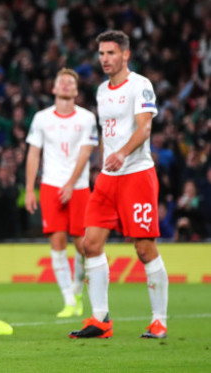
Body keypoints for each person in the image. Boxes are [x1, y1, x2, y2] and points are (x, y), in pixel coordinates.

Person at [69, 30, 168, 339]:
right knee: (90, 244)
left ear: (125, 54)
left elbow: (145, 127)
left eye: (110, 53)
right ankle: (100, 320)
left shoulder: (141, 85)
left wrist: (122, 154)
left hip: (137, 175)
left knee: (143, 247)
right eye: (101, 54)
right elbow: (107, 134)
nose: (105, 59)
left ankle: (159, 321)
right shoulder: (101, 91)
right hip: (108, 179)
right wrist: (103, 165)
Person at [24, 68, 98, 318]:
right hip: (50, 185)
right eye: (61, 82)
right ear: (54, 89)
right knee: (57, 242)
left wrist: (70, 183)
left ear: (76, 90)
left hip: (78, 187)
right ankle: (69, 301)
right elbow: (34, 153)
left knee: (82, 245)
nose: (66, 85)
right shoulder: (42, 118)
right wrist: (29, 189)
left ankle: (77, 289)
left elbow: (86, 152)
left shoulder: (87, 118)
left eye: (71, 82)